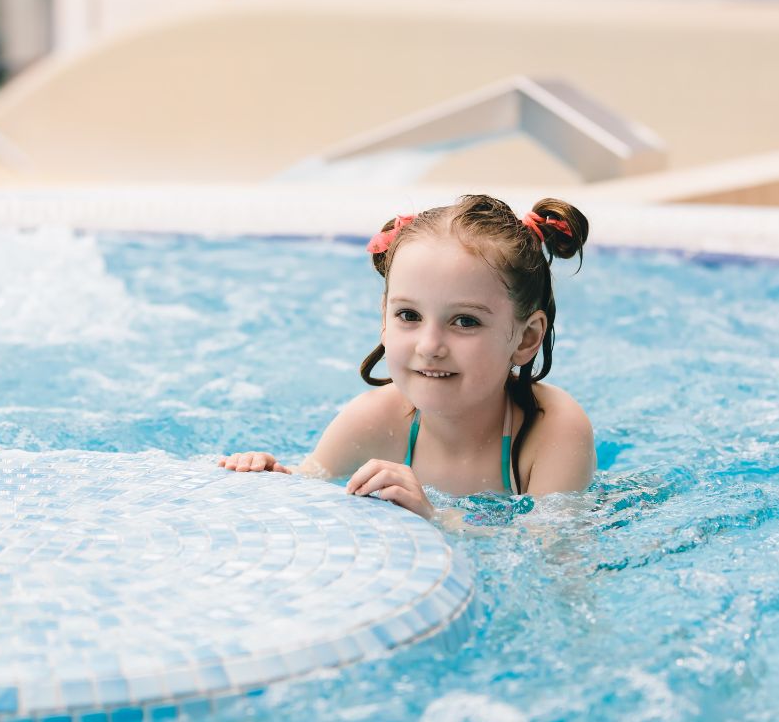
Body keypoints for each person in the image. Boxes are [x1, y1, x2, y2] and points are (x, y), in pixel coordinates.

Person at [218, 195, 596, 523]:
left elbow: (554, 566)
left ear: (527, 337)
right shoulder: (372, 421)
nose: (429, 345)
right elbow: (307, 497)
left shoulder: (553, 430)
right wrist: (267, 481)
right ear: (384, 317)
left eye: (465, 321)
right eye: (409, 316)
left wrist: (434, 518)